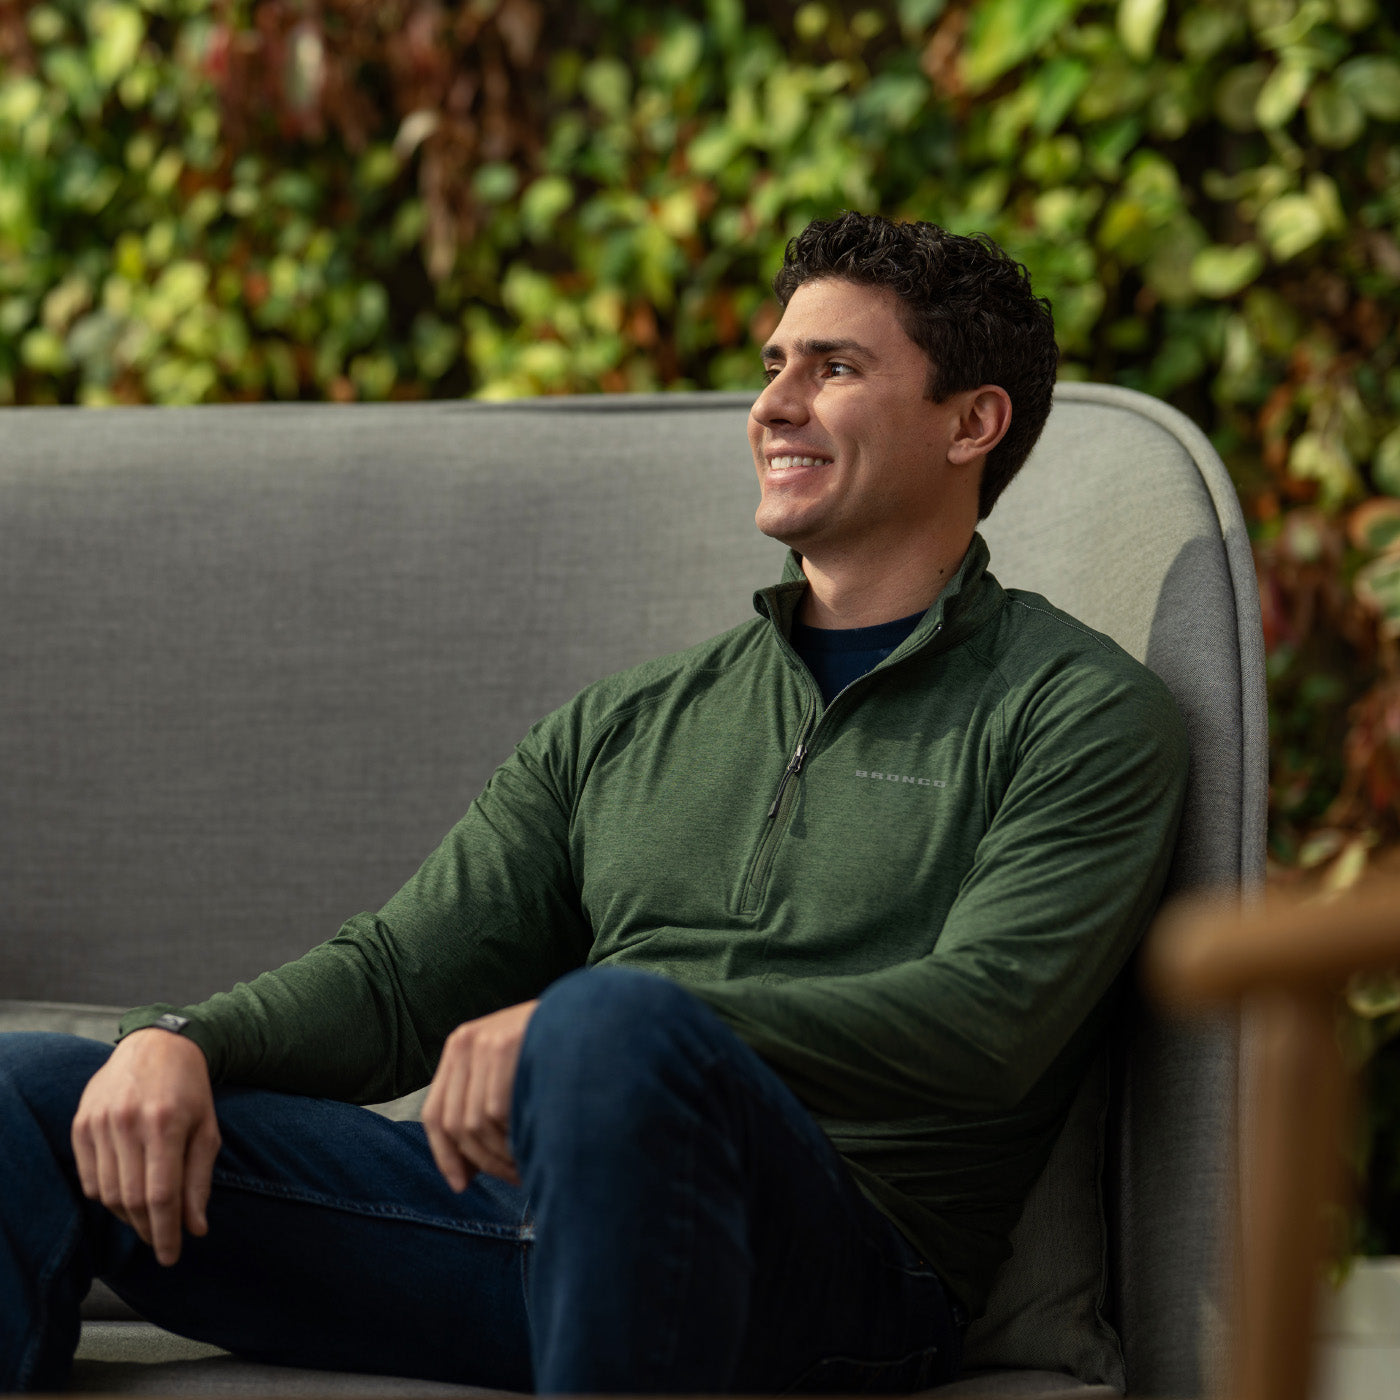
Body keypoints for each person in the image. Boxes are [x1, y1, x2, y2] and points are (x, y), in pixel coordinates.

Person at [0, 212, 1188, 1394]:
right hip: (518, 1222)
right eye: (773, 364)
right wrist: (180, 1037)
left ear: (970, 422)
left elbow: (986, 1024)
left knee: (611, 1022)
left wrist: (620, 1021)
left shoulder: (1075, 711)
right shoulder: (629, 720)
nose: (773, 405)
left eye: (834, 368)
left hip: (842, 1265)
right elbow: (397, 980)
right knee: (34, 1089)